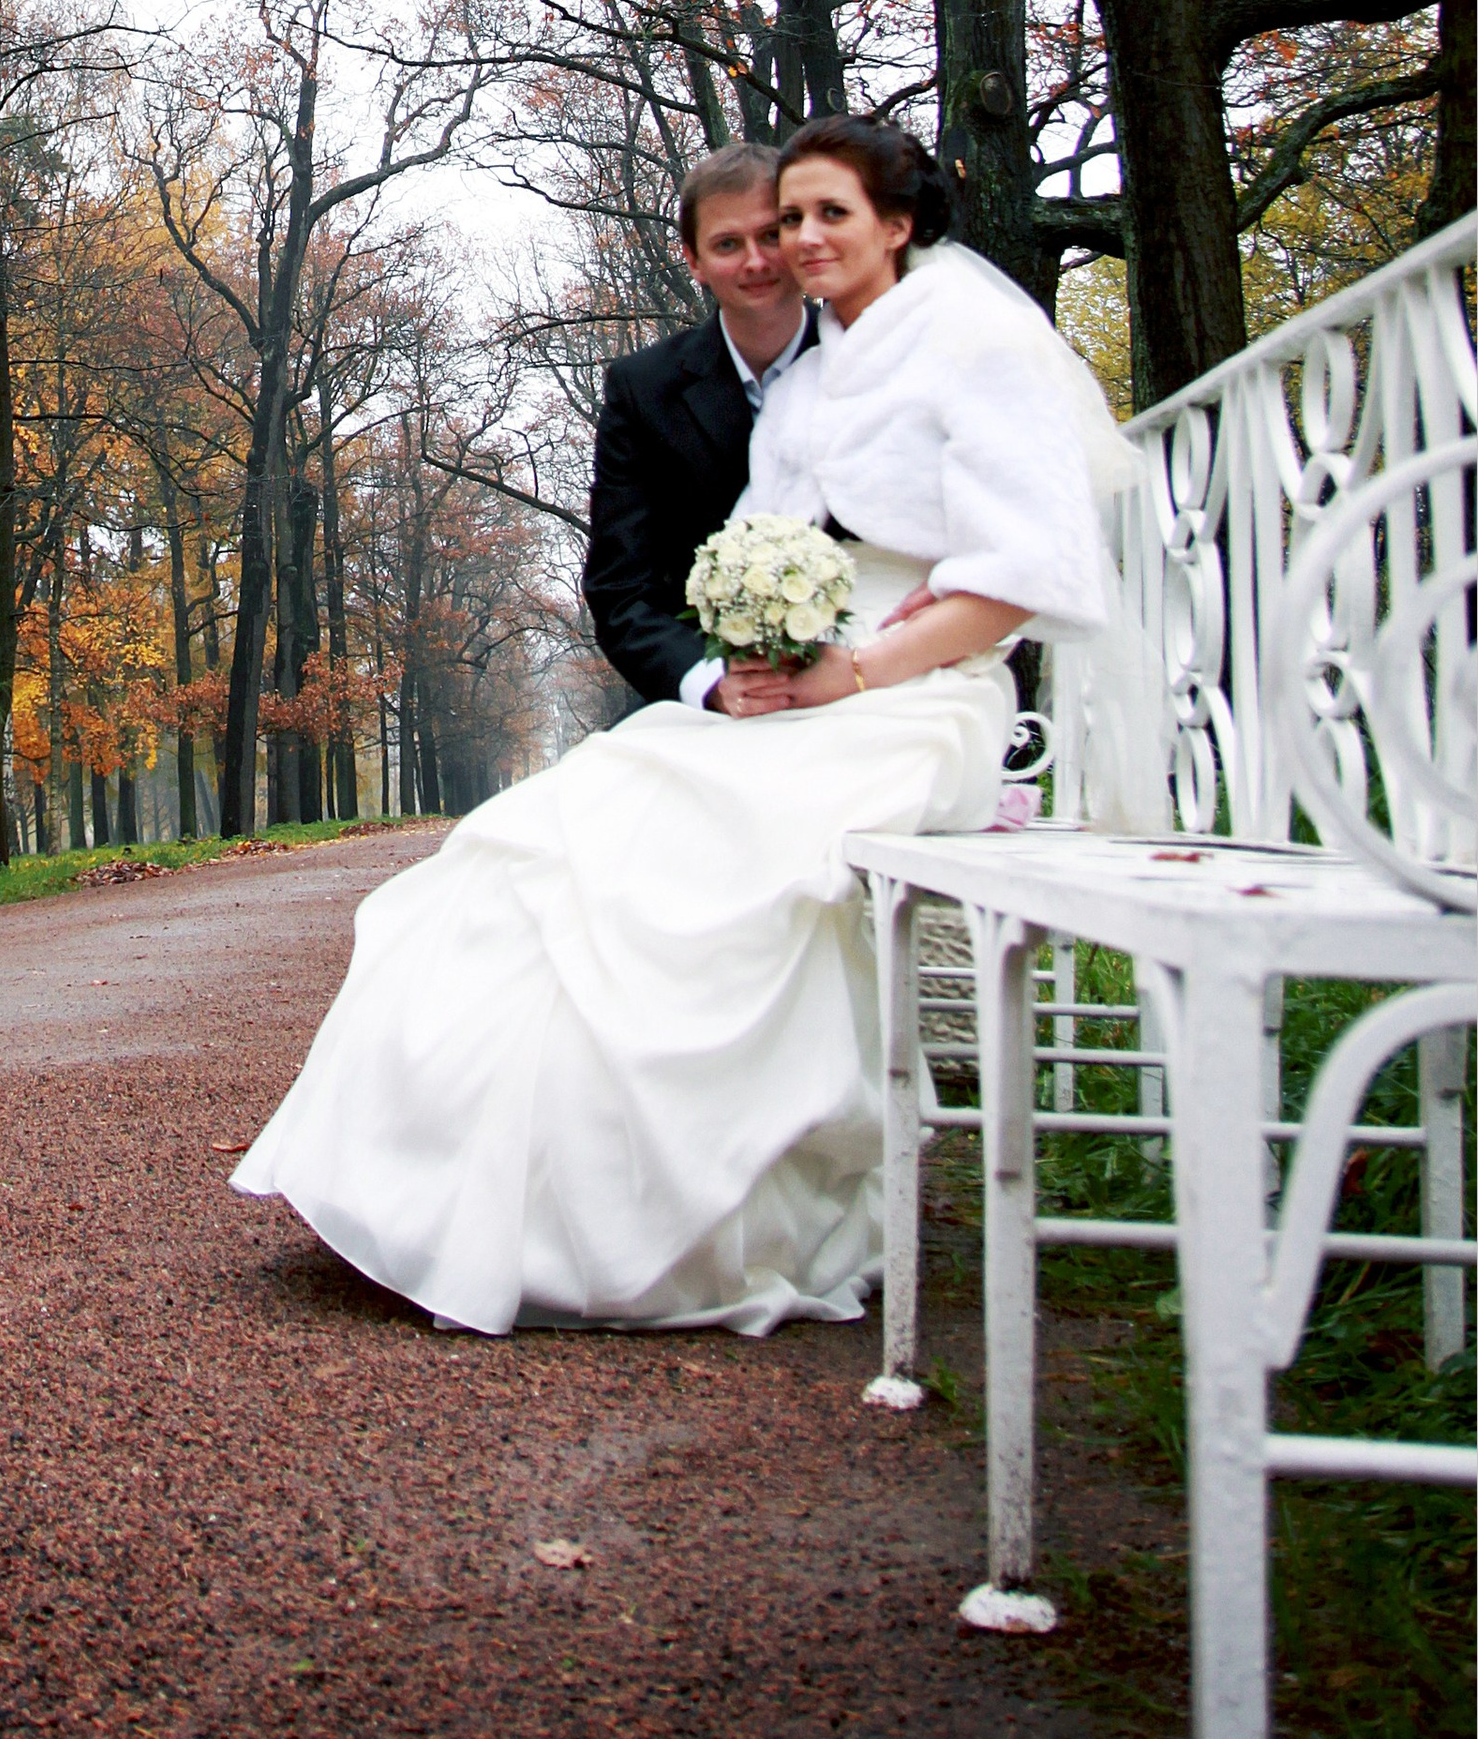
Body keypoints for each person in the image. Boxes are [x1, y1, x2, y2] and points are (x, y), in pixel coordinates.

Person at [230, 118, 1122, 1338]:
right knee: (553, 834)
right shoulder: (814, 375)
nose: (795, 244)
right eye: (776, 223)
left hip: (914, 696)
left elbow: (1022, 577)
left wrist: (855, 670)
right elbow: (722, 560)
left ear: (898, 225)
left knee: (706, 869)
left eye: (822, 218)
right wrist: (748, 665)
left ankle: (706, 1215)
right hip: (799, 685)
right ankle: (480, 1200)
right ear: (695, 257)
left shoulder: (972, 343)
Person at [581, 144, 815, 711]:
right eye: (728, 244)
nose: (755, 261)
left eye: (770, 235)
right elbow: (622, 590)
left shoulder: (869, 359)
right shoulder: (643, 391)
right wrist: (710, 684)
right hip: (718, 704)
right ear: (694, 261)